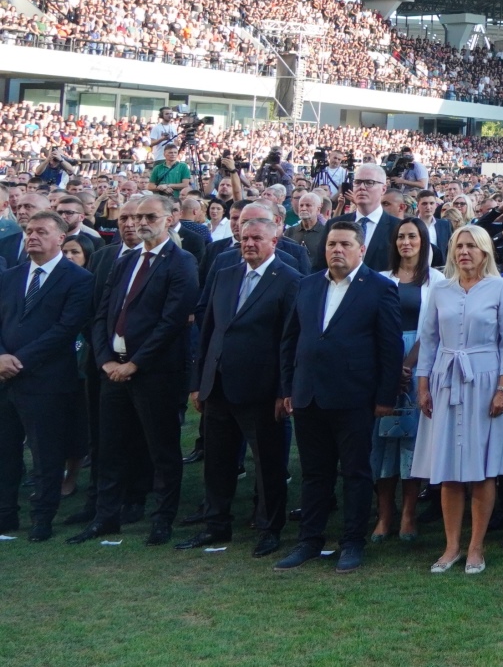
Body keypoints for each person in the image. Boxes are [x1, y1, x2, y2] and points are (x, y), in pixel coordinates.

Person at [276, 218, 403, 572]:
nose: (337, 250)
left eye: (345, 244)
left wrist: (384, 398)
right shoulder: (308, 285)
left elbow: (390, 348)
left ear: (360, 249)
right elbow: (291, 341)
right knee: (314, 473)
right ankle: (309, 541)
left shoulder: (378, 287)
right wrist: (288, 387)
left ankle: (352, 542)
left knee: (356, 473)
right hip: (308, 396)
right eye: (332, 244)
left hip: (354, 398)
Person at [72, 192, 199, 546]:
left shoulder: (181, 261)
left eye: (150, 217)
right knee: (110, 446)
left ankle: (162, 519)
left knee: (161, 449)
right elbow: (102, 314)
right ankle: (106, 516)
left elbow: (172, 322)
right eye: (138, 217)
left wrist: (136, 364)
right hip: (113, 369)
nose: (141, 223)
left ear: (170, 219)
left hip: (155, 373)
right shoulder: (124, 261)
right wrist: (106, 361)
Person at [182, 209, 301, 556]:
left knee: (267, 463)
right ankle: (216, 525)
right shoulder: (225, 273)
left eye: (256, 239)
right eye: (244, 239)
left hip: (262, 391)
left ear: (274, 241)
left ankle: (269, 528)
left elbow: (290, 340)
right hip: (218, 385)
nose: (248, 244)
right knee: (217, 462)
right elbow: (208, 331)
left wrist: (284, 390)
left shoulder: (290, 279)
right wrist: (199, 380)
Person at [416, 224, 503, 575]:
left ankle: (476, 547)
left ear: (485, 252)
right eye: (459, 246)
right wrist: (423, 385)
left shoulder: (501, 288)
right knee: (448, 468)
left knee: (481, 467)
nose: (464, 252)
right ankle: (451, 547)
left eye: (471, 247)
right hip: (447, 379)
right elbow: (428, 340)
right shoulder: (441, 291)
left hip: (486, 379)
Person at [0, 210, 91, 541]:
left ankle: (42, 517)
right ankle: (5, 513)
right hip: (4, 378)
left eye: (40, 231)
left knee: (45, 453)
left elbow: (66, 329)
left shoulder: (78, 279)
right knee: (5, 450)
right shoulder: (10, 276)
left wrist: (18, 360)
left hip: (47, 380)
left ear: (60, 238)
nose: (31, 236)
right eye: (28, 231)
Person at [373, 216, 443, 544]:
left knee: (412, 443)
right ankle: (384, 515)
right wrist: (391, 366)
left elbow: (435, 329)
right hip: (383, 361)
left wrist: (407, 365)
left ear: (423, 241)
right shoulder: (380, 279)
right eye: (401, 237)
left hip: (421, 365)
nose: (406, 242)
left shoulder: (438, 282)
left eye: (412, 236)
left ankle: (408, 513)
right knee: (382, 441)